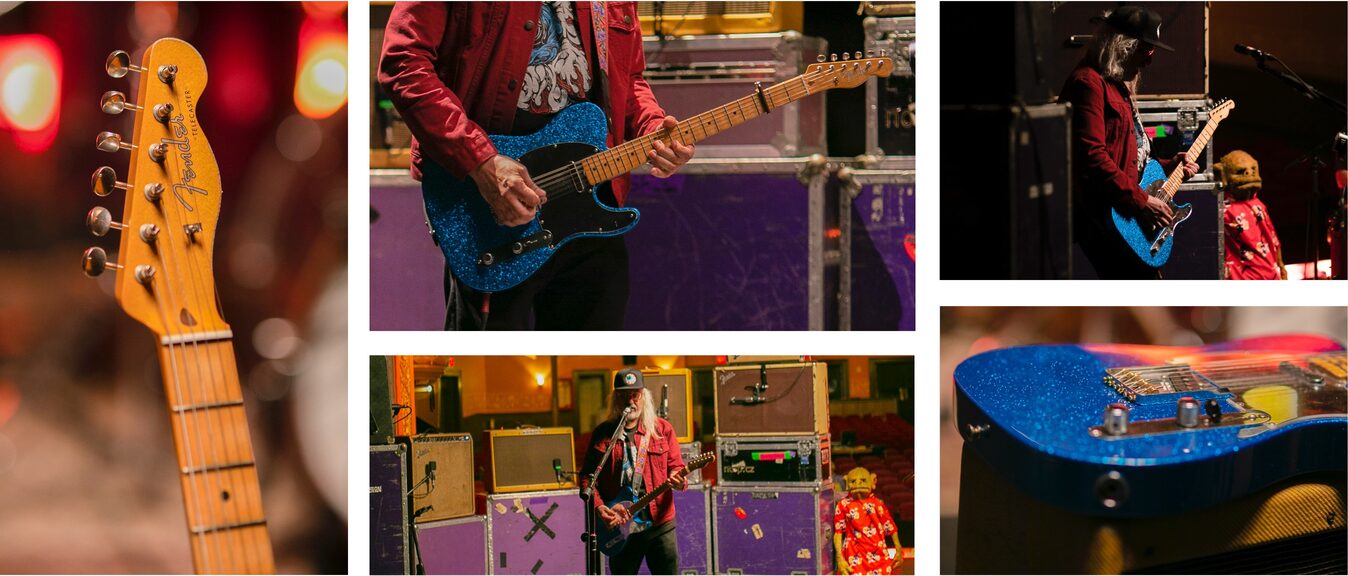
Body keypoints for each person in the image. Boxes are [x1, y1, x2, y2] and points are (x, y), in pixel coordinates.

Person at [379, 2, 695, 330]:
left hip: (590, 202)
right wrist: (481, 160)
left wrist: (651, 127)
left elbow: (627, 77)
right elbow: (403, 62)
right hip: (492, 202)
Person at [1058, 6, 1200, 279]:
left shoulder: (1117, 84)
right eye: (1146, 50)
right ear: (1123, 47)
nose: (1149, 60)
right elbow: (1092, 156)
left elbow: (1132, 154)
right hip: (1108, 217)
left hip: (1127, 211)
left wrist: (1168, 166)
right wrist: (1141, 200)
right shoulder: (1088, 84)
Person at [579, 369, 688, 574]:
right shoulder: (603, 434)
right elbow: (587, 478)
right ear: (615, 399)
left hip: (660, 525)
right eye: (623, 395)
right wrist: (600, 508)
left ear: (643, 397)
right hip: (621, 526)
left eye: (635, 395)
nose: (630, 401)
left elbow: (678, 467)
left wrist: (678, 479)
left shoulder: (662, 430)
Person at [1216, 150, 1286, 279]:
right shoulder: (1224, 210)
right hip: (1243, 274)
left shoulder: (1257, 204)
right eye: (1241, 172)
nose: (1249, 174)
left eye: (1253, 170)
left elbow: (1272, 237)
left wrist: (1280, 265)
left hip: (1269, 269)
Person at [834, 467, 903, 575]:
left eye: (863, 480)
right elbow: (838, 532)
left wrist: (898, 549)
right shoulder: (843, 505)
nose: (858, 483)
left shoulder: (878, 503)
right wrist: (840, 558)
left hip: (878, 554)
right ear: (847, 482)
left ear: (873, 481)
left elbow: (890, 526)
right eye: (853, 481)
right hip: (854, 555)